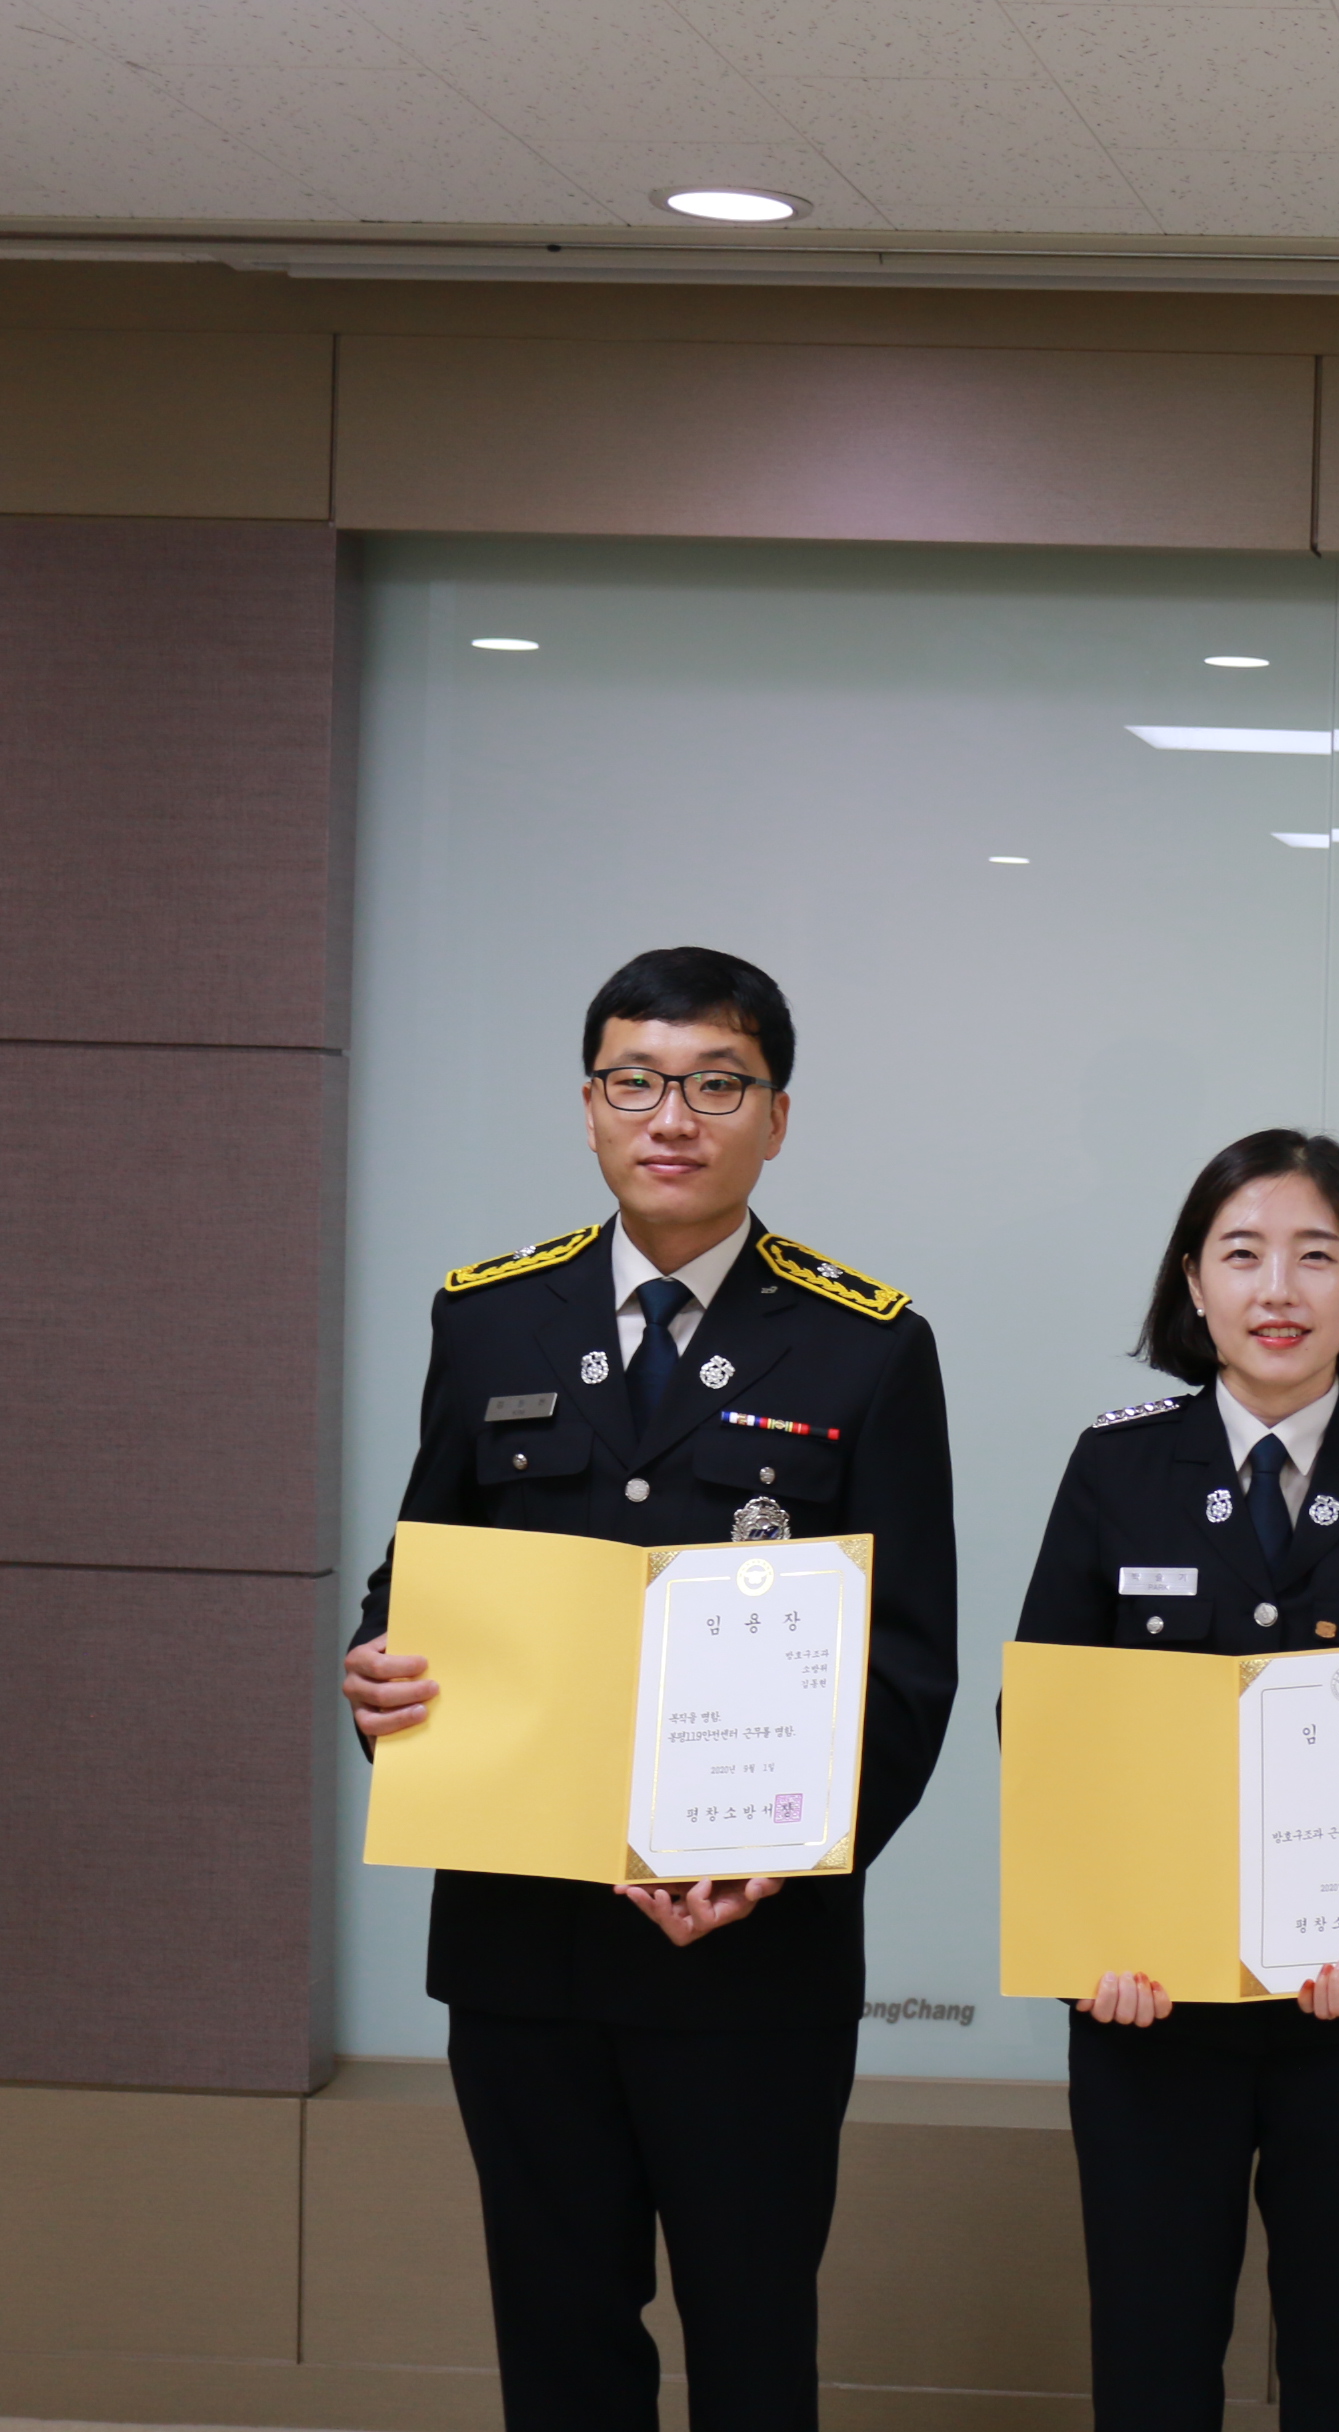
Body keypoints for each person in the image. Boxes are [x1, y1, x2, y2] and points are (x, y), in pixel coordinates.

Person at [339, 945, 960, 2432]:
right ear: (590, 1105)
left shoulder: (867, 1345)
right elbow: (418, 1584)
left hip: (750, 1953)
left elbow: (906, 1664)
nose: (671, 1117)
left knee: (753, 2343)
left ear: (777, 1117)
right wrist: (380, 1677)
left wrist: (775, 1859)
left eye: (716, 1085)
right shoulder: (489, 1318)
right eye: (636, 1082)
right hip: (524, 1947)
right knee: (559, 2341)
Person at [1011, 1129, 1339, 2430]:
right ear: (1194, 1282)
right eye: (1242, 1255)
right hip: (1147, 2011)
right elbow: (1047, 1726)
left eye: (1316, 1255)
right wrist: (1098, 1935)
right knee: (1152, 2360)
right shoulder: (1117, 1466)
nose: (1278, 1290)